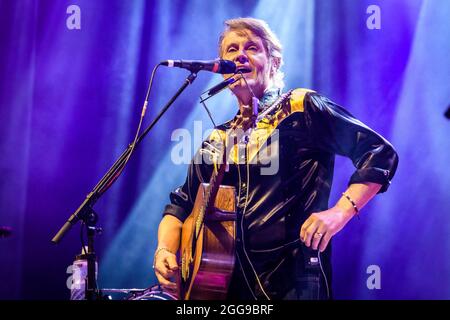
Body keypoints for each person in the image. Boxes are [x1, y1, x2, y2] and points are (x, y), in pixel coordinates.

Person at [152, 17, 398, 300]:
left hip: (292, 282)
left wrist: (338, 214)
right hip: (227, 288)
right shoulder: (216, 140)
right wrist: (164, 250)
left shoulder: (300, 108)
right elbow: (181, 205)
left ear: (274, 62)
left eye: (252, 47)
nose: (240, 54)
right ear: (222, 70)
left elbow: (379, 153)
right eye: (231, 50)